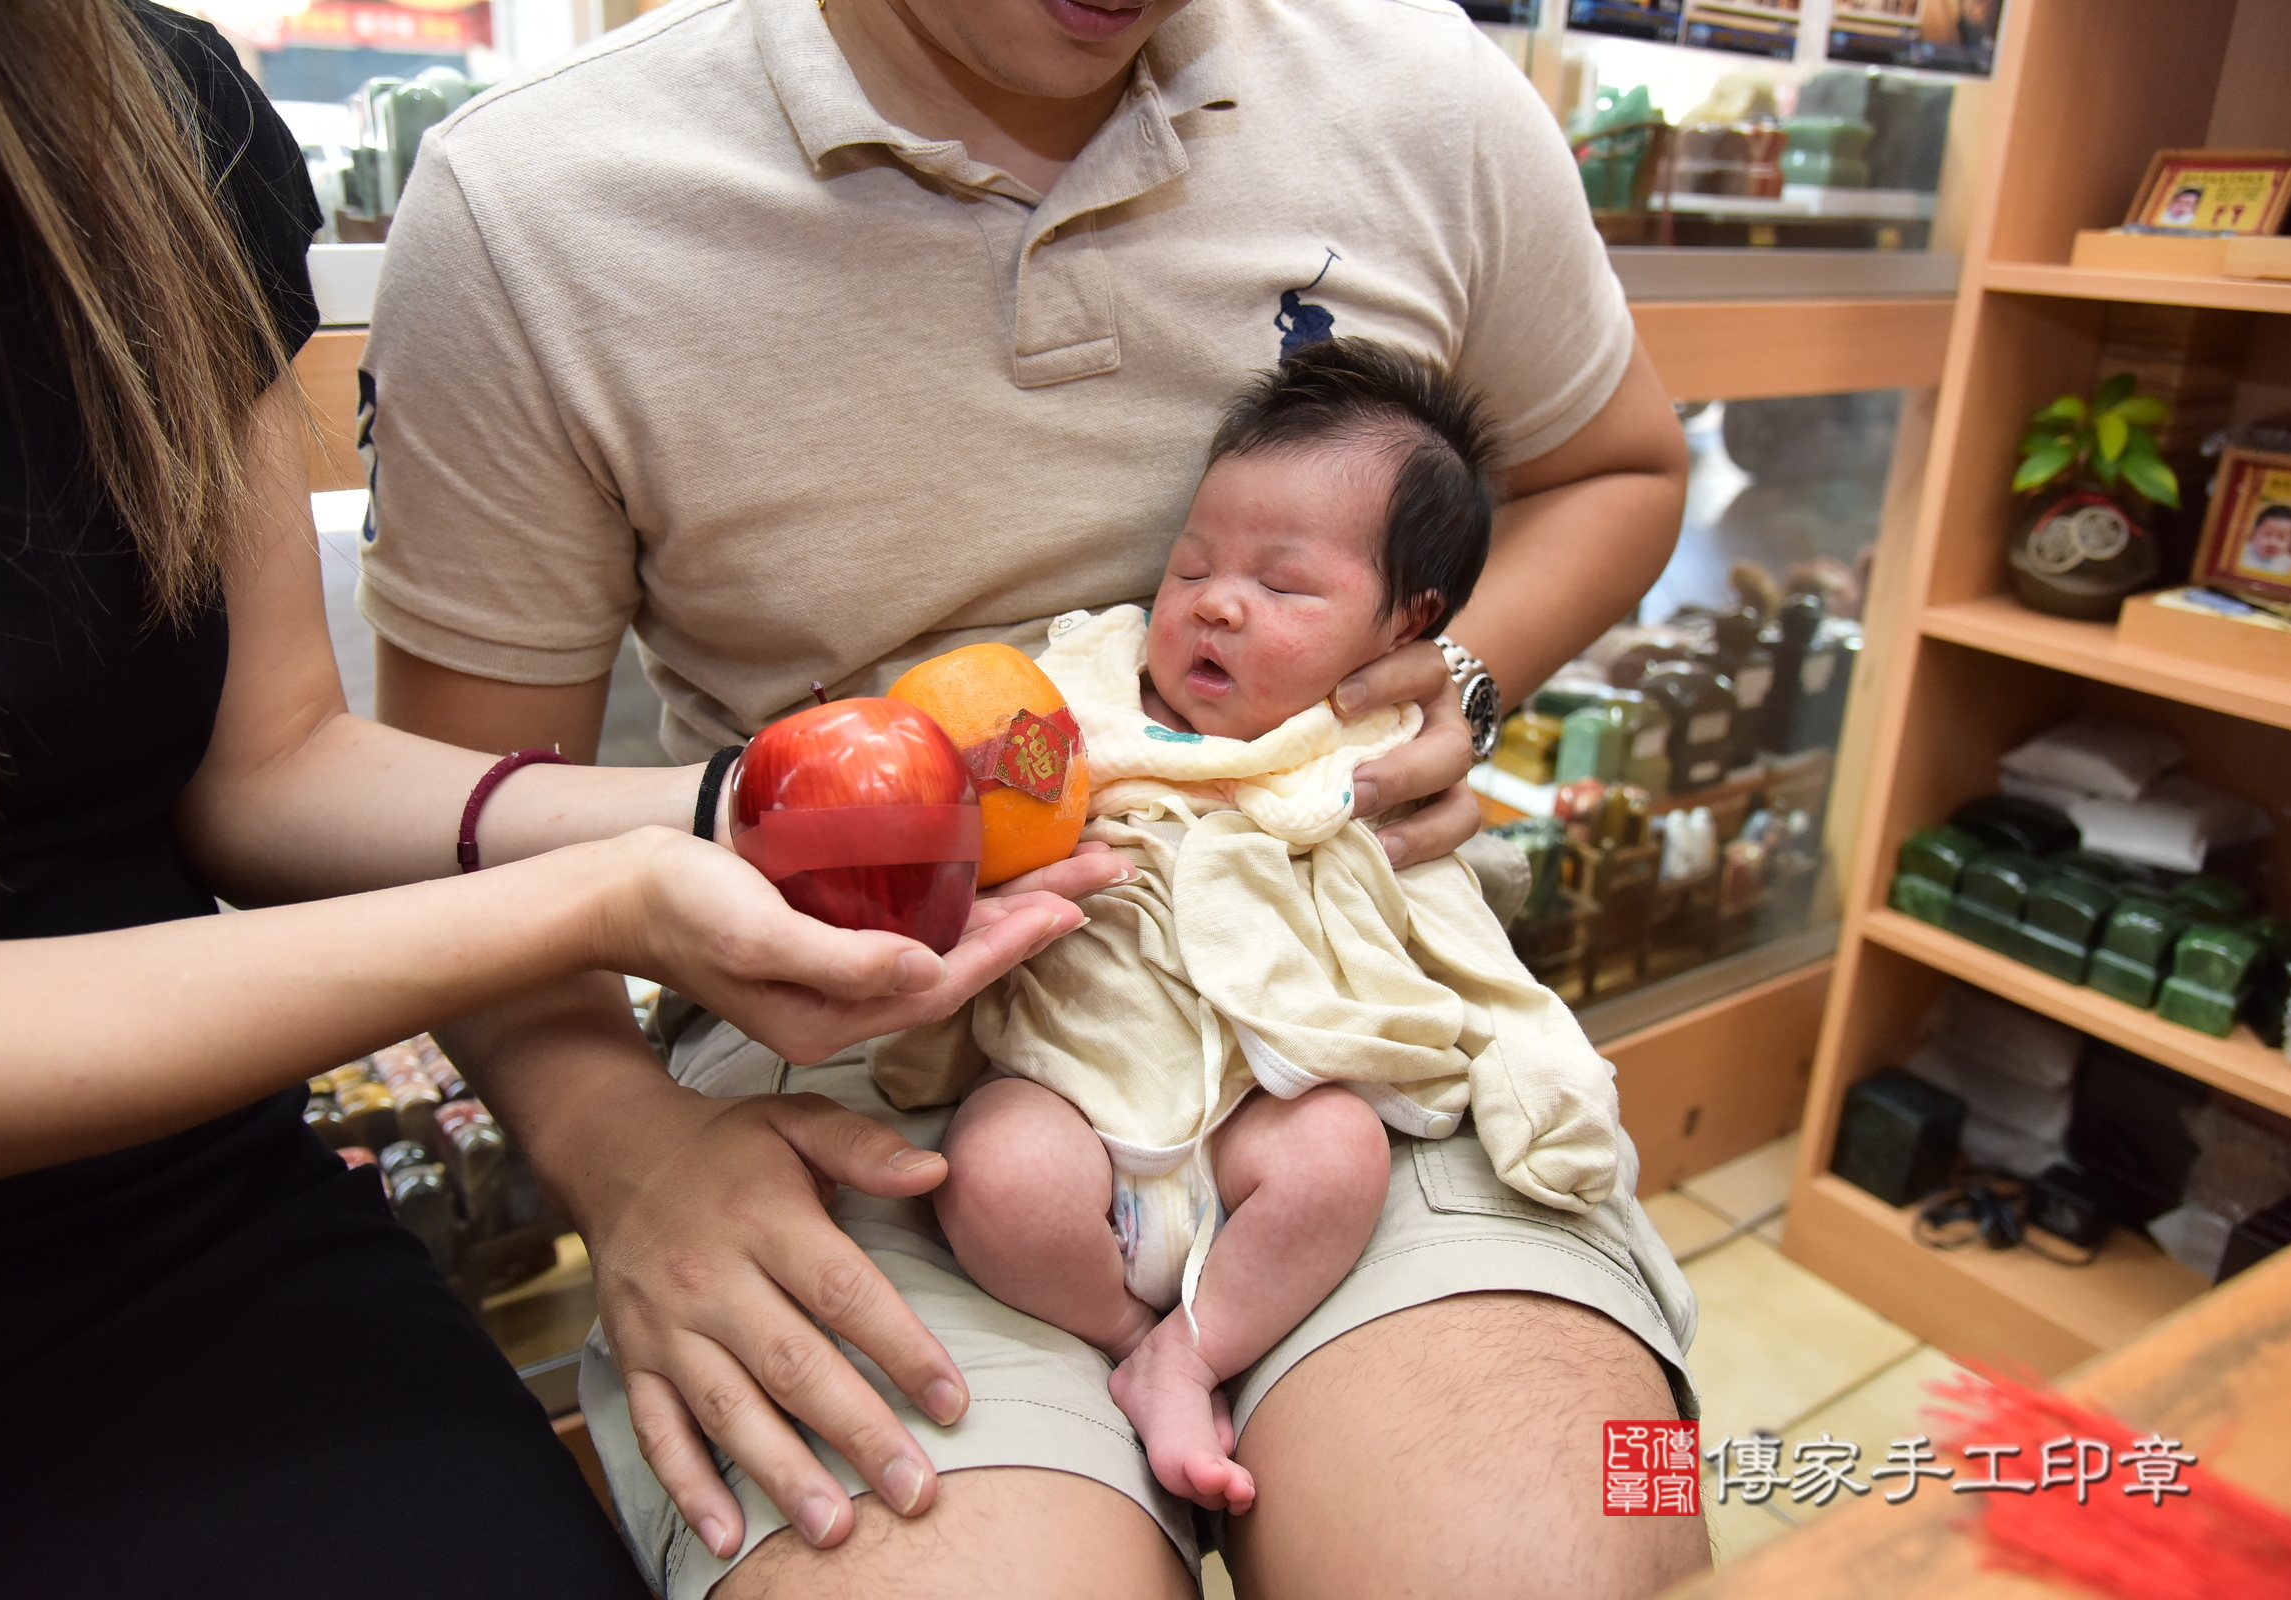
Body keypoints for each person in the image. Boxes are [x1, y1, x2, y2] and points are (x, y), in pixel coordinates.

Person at [359, 0, 1706, 1593]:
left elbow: (1617, 468)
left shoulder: (1427, 88)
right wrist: (618, 1148)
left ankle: (1184, 1351)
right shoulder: (535, 198)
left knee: (1554, 1559)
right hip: (857, 1045)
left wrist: (1455, 684)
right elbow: (459, 814)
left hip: (1335, 982)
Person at [0, 3, 1092, 1594]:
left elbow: (269, 770)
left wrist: (721, 816)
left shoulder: (129, 105)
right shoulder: (544, 199)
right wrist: (596, 908)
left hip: (179, 1225)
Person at [908, 339, 1625, 1518]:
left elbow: (1461, 945)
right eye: (1191, 567)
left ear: (1406, 628)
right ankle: (1121, 1328)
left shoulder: (1365, 766)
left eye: (1286, 588)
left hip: (1265, 1092)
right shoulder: (1079, 695)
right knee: (994, 1171)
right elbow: (984, 801)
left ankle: (1190, 1349)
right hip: (1080, 1070)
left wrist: (1540, 1067)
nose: (1217, 600)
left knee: (1336, 1156)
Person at [2238, 503, 2291, 576]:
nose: (2272, 543)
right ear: (2254, 533)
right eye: (2267, 535)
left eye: (2281, 538)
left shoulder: (2289, 565)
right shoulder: (2241, 553)